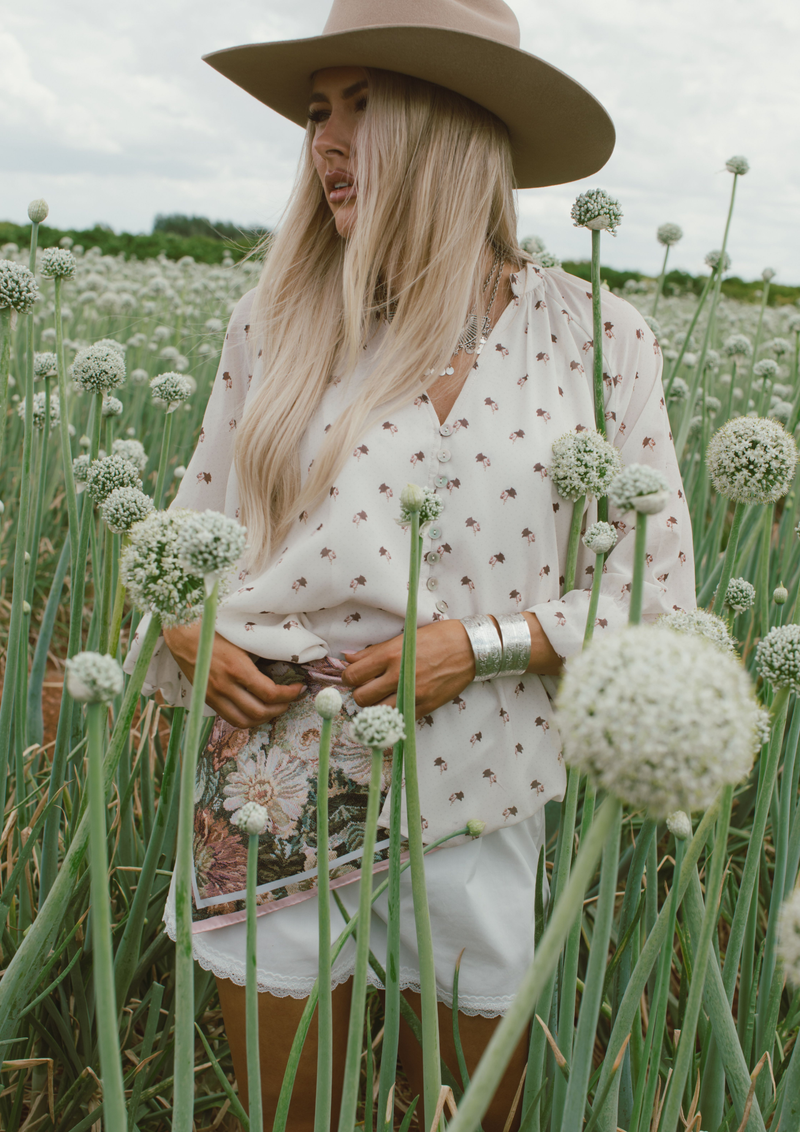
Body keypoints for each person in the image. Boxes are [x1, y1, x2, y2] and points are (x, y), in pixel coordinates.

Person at [126, 1, 695, 1128]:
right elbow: (187, 539)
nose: (326, 143)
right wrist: (184, 631)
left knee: (470, 1113)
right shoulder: (272, 318)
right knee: (293, 1115)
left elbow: (654, 596)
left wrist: (479, 648)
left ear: (452, 125)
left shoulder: (599, 338)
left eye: (363, 106)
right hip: (272, 779)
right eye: (316, 112)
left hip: (481, 785)